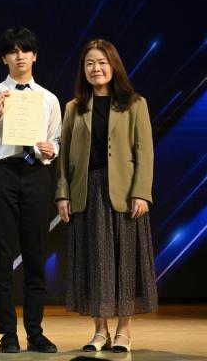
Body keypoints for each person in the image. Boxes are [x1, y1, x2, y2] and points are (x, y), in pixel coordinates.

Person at [56, 38, 158, 353]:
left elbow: (145, 152)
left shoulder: (135, 103)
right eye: (89, 63)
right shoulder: (74, 108)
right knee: (95, 262)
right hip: (86, 192)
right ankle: (100, 331)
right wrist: (62, 195)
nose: (96, 68)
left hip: (124, 194)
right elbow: (64, 157)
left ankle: (124, 332)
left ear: (113, 66)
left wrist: (141, 193)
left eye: (102, 62)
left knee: (125, 262)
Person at [0, 27, 61, 353]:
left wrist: (50, 150)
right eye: (13, 51)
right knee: (2, 254)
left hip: (36, 173)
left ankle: (35, 332)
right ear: (4, 58)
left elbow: (55, 140)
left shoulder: (48, 99)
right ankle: (7, 333)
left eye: (25, 50)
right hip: (2, 173)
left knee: (36, 253)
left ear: (34, 56)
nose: (19, 56)